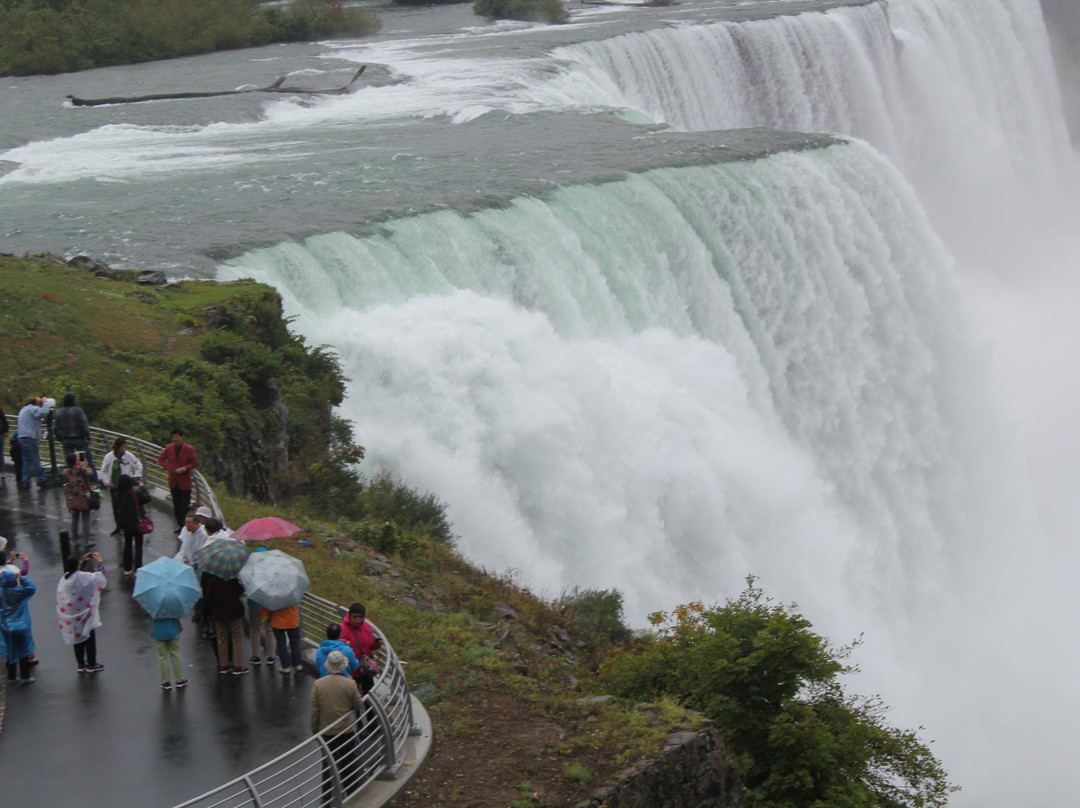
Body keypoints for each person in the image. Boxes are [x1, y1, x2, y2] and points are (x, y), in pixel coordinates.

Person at [310, 650, 364, 805]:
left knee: (328, 764)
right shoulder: (349, 683)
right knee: (348, 762)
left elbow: (314, 711)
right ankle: (352, 794)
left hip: (326, 731)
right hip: (346, 730)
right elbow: (358, 704)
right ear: (343, 665)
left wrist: (315, 730)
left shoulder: (318, 685)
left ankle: (327, 798)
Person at [55, 554, 106, 674]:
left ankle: (81, 664)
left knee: (77, 638)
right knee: (89, 637)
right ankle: (92, 663)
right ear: (77, 565)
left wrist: (83, 562)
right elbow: (99, 578)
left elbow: (78, 575)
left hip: (73, 614)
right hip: (86, 613)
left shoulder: (65, 578)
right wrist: (99, 562)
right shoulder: (83, 577)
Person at [201, 571, 248, 675]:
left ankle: (224, 665)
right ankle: (237, 666)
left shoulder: (212, 582)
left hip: (219, 614)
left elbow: (208, 598)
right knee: (236, 639)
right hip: (234, 612)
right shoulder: (232, 579)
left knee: (221, 639)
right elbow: (240, 591)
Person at [100, 438, 143, 536]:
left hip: (126, 485)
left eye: (125, 446)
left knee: (127, 506)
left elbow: (138, 466)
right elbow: (103, 471)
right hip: (114, 486)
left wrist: (135, 478)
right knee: (116, 507)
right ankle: (118, 526)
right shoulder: (109, 457)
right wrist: (107, 482)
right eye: (122, 447)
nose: (124, 449)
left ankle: (126, 525)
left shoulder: (129, 456)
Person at [157, 429, 198, 531]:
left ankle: (184, 526)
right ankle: (180, 525)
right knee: (176, 505)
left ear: (181, 437)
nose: (175, 439)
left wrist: (184, 468)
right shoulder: (169, 448)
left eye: (177, 437)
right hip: (173, 480)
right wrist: (168, 467)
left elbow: (194, 462)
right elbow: (160, 459)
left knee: (185, 505)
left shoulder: (189, 448)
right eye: (173, 437)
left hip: (185, 481)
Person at [1, 569, 37, 684]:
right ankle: (25, 677)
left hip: (6, 626)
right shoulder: (19, 591)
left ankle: (11, 678)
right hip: (21, 625)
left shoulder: (2, 592)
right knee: (24, 651)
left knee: (10, 651)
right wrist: (22, 578)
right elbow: (32, 588)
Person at [340, 602, 382, 694]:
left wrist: (377, 644)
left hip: (365, 669)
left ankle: (370, 708)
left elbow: (370, 646)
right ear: (350, 616)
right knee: (352, 696)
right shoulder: (343, 630)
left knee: (369, 693)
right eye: (355, 617)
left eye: (360, 617)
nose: (357, 620)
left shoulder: (366, 627)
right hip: (351, 671)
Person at [115, 474, 151, 577]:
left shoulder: (117, 495)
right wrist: (142, 487)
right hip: (137, 523)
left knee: (127, 545)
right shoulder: (135, 493)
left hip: (126, 524)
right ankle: (138, 568)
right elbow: (147, 499)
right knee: (139, 546)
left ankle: (127, 568)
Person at [16, 395, 54, 488]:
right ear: (36, 403)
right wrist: (45, 403)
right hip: (30, 437)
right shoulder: (32, 409)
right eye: (39, 402)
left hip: (21, 437)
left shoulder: (24, 409)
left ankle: (25, 481)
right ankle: (41, 479)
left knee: (26, 460)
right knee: (35, 459)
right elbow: (43, 413)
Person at [54, 393, 96, 477]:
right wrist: (89, 437)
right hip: (79, 439)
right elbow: (84, 424)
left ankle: (72, 480)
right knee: (85, 461)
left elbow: (56, 428)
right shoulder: (78, 411)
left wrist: (60, 439)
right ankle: (92, 480)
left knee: (70, 463)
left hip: (66, 440)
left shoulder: (59, 412)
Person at [64, 452, 96, 555]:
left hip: (72, 498)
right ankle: (86, 541)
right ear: (75, 461)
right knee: (85, 520)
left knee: (74, 519)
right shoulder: (82, 470)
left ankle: (75, 540)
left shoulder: (66, 472)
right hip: (83, 498)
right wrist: (86, 466)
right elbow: (91, 473)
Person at [263, 603, 302, 675]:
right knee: (295, 643)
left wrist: (266, 616)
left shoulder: (272, 594)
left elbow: (267, 610)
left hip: (278, 622)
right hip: (292, 620)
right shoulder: (291, 592)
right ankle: (298, 664)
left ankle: (285, 667)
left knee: (281, 645)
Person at [152, 616, 188, 691]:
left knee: (162, 657)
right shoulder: (173, 604)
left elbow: (146, 611)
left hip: (158, 631)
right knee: (175, 654)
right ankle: (179, 680)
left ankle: (166, 682)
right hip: (173, 629)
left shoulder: (153, 605)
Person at [0, 402, 8, 482]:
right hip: (1, 434)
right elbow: (4, 420)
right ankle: (2, 472)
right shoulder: (0, 410)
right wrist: (6, 431)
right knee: (1, 454)